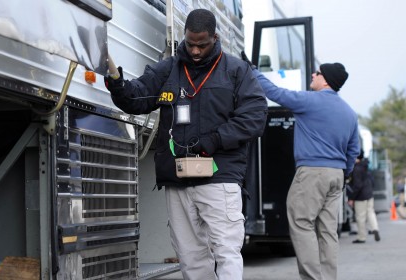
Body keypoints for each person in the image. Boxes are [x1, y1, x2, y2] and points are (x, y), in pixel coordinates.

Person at [104, 9, 268, 279]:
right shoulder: (169, 68)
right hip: (178, 177)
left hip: (220, 175)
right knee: (190, 257)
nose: (194, 50)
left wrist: (214, 140)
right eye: (190, 43)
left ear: (215, 38)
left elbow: (254, 117)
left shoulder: (236, 70)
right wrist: (116, 82)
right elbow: (134, 99)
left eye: (201, 45)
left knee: (226, 250)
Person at [242, 52, 360, 280]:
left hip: (312, 173)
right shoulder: (349, 113)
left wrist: (254, 71)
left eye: (318, 73)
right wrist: (343, 173)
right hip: (337, 175)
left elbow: (275, 93)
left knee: (301, 222)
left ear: (326, 80)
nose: (314, 75)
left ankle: (312, 278)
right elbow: (353, 151)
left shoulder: (309, 101)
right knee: (328, 231)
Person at [348, 149, 380, 243]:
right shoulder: (365, 166)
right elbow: (372, 181)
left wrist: (351, 198)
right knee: (371, 212)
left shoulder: (356, 168)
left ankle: (362, 237)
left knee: (360, 217)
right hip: (369, 193)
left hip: (360, 196)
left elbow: (357, 185)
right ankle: (375, 228)